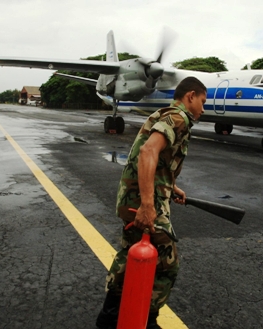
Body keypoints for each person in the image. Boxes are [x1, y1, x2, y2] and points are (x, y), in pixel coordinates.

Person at [96, 76, 207, 329]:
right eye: (202, 101)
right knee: (168, 265)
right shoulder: (177, 117)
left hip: (136, 195)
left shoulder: (166, 114)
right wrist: (148, 205)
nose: (203, 108)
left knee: (129, 255)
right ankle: (146, 318)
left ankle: (110, 316)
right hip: (143, 200)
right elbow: (148, 152)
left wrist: (171, 185)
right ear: (190, 96)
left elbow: (158, 161)